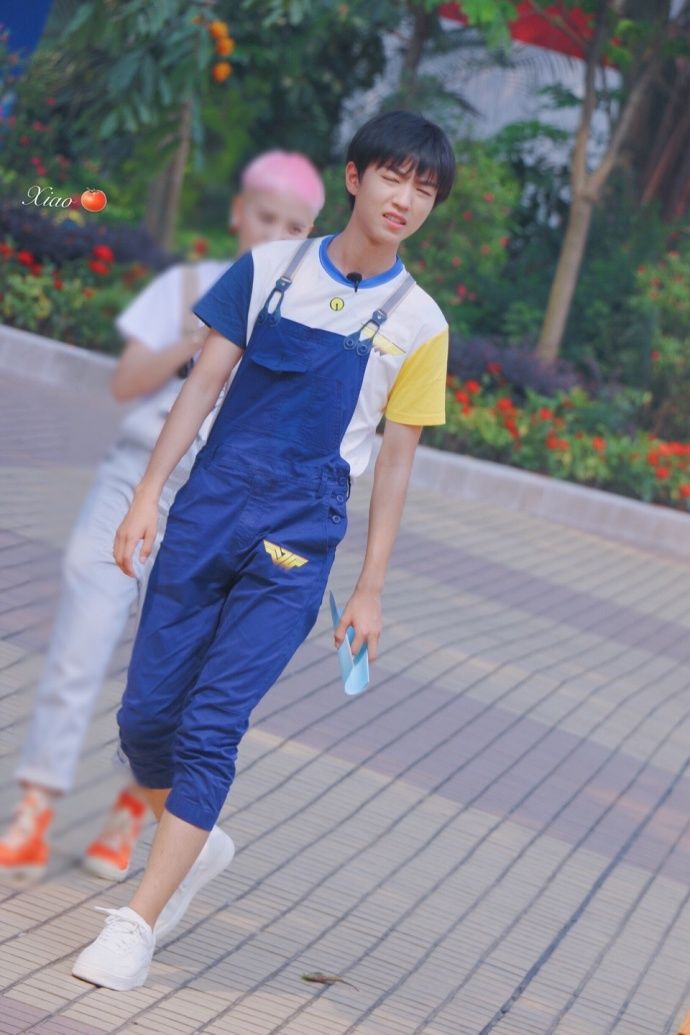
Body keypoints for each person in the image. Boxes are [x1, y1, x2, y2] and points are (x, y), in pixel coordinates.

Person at [71, 109, 456, 992]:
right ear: (355, 177)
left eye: (426, 189)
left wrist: (371, 589)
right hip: (208, 509)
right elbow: (203, 383)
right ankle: (197, 837)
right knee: (146, 720)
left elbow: (396, 464)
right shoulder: (269, 269)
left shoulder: (421, 323)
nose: (406, 199)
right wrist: (147, 494)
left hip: (297, 540)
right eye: (394, 177)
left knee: (212, 723)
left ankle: (138, 923)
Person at [0, 151, 325, 883]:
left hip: (214, 504)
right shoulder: (187, 286)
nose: (275, 233)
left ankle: (126, 816)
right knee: (83, 638)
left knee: (169, 670)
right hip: (132, 480)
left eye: (295, 226)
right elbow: (126, 381)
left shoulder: (311, 317)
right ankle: (34, 810)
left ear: (311, 235)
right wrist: (201, 340)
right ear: (238, 212)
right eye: (265, 216)